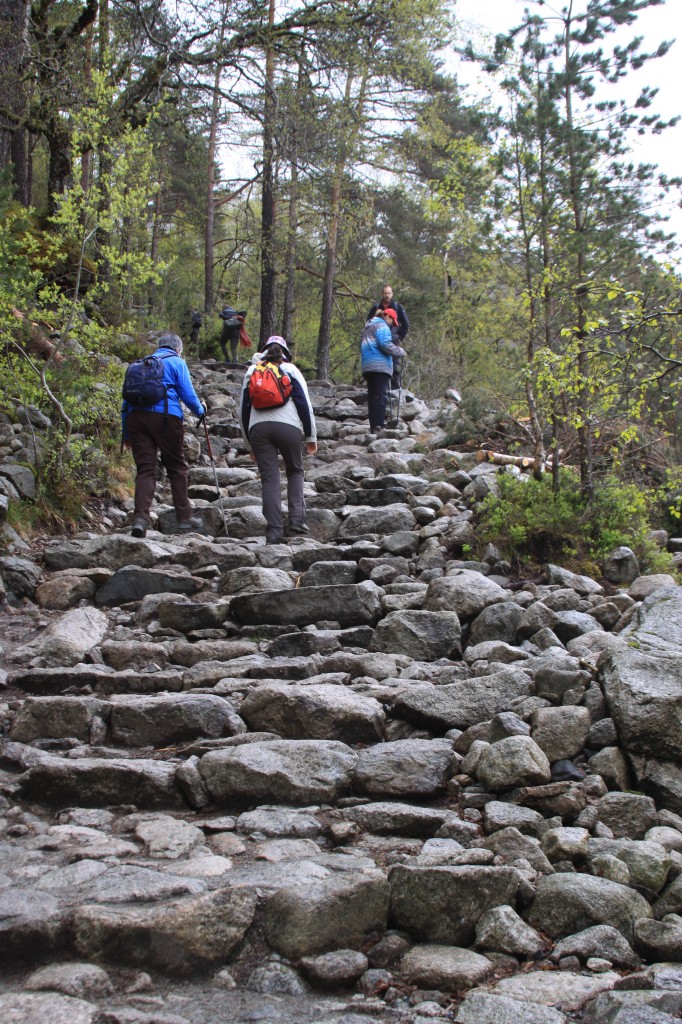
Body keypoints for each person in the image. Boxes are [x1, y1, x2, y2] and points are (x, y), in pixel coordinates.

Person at [122, 333, 206, 538]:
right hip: (166, 417)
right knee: (176, 466)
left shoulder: (139, 365)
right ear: (178, 349)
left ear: (159, 347)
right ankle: (184, 517)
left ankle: (141, 519)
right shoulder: (177, 362)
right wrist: (201, 411)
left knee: (145, 469)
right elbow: (188, 394)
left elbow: (125, 403)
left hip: (136, 418)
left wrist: (126, 433)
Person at [240, 336, 317, 544]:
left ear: (264, 352)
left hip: (258, 429)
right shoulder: (291, 370)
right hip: (289, 427)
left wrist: (249, 443)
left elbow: (243, 410)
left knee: (270, 479)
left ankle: (274, 530)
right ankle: (296, 521)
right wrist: (311, 435)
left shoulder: (252, 371)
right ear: (285, 353)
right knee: (295, 470)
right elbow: (303, 404)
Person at [361, 308, 406, 434]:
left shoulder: (368, 327)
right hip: (379, 366)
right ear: (387, 317)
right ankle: (378, 426)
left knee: (373, 397)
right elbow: (385, 345)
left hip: (368, 365)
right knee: (380, 396)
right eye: (392, 321)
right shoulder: (382, 325)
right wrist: (400, 351)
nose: (392, 325)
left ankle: (373, 426)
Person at [368, 284, 409, 388]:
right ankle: (381, 388)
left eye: (389, 293)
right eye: (385, 293)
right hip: (377, 342)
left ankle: (394, 389)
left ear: (392, 294)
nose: (387, 295)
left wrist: (398, 336)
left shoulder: (398, 307)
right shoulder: (376, 308)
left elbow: (406, 324)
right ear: (382, 294)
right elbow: (368, 323)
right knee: (379, 366)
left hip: (393, 340)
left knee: (395, 366)